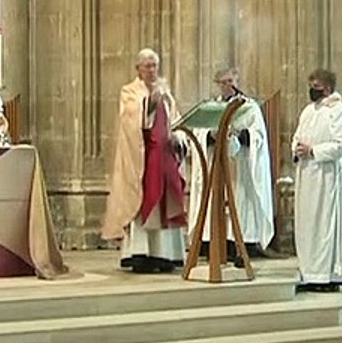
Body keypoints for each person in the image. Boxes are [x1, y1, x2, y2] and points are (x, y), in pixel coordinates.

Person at [100, 49, 188, 273]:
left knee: (166, 201)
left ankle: (166, 254)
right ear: (138, 69)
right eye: (147, 66)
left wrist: (179, 138)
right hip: (143, 158)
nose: (152, 70)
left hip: (165, 156)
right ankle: (141, 253)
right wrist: (149, 103)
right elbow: (129, 118)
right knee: (143, 200)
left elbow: (175, 120)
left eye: (154, 66)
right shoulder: (130, 91)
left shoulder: (166, 93)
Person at [183, 67, 276, 264]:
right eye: (223, 82)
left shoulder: (249, 107)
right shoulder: (210, 108)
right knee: (214, 201)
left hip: (240, 164)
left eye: (230, 81)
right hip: (216, 164)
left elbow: (258, 136)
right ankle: (214, 244)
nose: (227, 85)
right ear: (217, 85)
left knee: (241, 201)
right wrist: (211, 135)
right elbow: (199, 133)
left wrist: (241, 135)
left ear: (237, 81)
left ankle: (242, 245)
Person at [291, 68, 342, 292]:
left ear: (328, 88)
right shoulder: (308, 111)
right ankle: (309, 273)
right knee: (307, 225)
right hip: (306, 175)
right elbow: (297, 136)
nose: (311, 90)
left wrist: (314, 151)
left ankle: (326, 275)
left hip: (327, 176)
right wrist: (297, 149)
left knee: (324, 224)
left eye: (316, 86)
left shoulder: (341, 112)